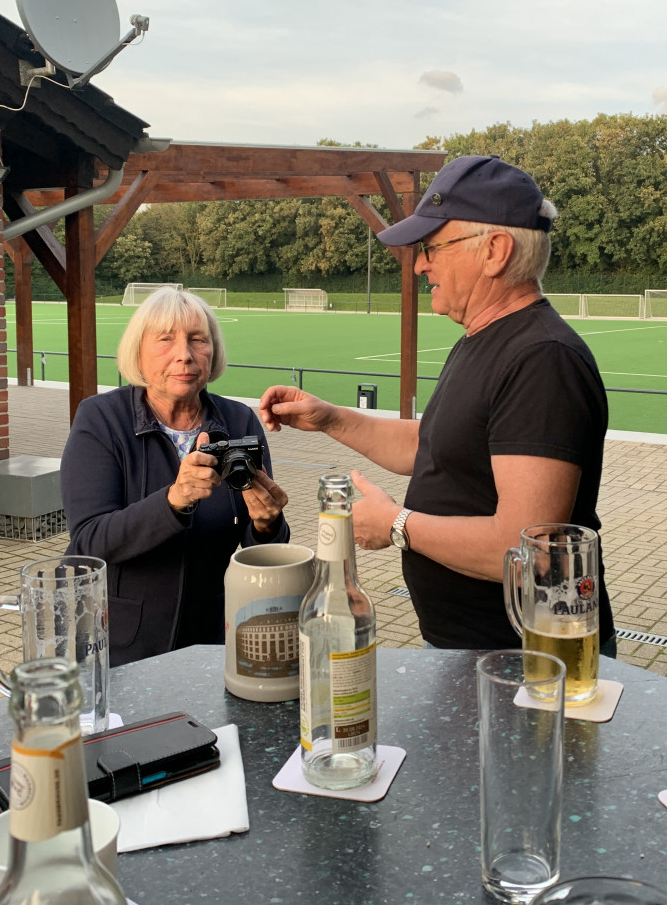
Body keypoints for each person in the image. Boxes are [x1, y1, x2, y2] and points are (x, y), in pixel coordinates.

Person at [258, 155, 616, 653]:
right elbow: (436, 445)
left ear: (494, 251)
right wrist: (330, 419)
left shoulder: (542, 360)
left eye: (432, 247)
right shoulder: (486, 338)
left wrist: (397, 525)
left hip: (523, 662)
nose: (420, 263)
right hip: (473, 652)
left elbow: (526, 549)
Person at [61, 288, 289, 666]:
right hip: (121, 647)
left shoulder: (238, 421)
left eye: (197, 339)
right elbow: (88, 542)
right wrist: (173, 501)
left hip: (211, 641)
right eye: (165, 339)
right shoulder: (101, 420)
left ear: (213, 351)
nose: (184, 354)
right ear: (138, 351)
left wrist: (268, 524)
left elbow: (260, 552)